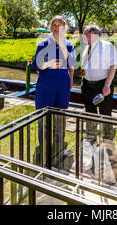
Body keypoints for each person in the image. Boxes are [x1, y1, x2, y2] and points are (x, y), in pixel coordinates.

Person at [80, 24, 117, 181]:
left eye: (86, 35)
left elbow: (113, 66)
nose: (84, 37)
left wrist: (107, 84)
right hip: (87, 85)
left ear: (94, 33)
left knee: (105, 114)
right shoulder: (87, 47)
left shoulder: (107, 46)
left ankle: (108, 140)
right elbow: (85, 64)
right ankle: (91, 139)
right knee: (89, 112)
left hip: (102, 85)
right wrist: (82, 78)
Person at [32, 16, 76, 155]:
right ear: (51, 27)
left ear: (64, 28)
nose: (57, 28)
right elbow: (36, 65)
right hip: (45, 87)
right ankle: (44, 148)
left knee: (60, 118)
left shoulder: (69, 45)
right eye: (54, 25)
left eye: (60, 25)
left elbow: (72, 63)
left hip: (62, 88)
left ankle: (59, 148)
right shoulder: (43, 44)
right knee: (43, 119)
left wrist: (70, 82)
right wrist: (48, 64)